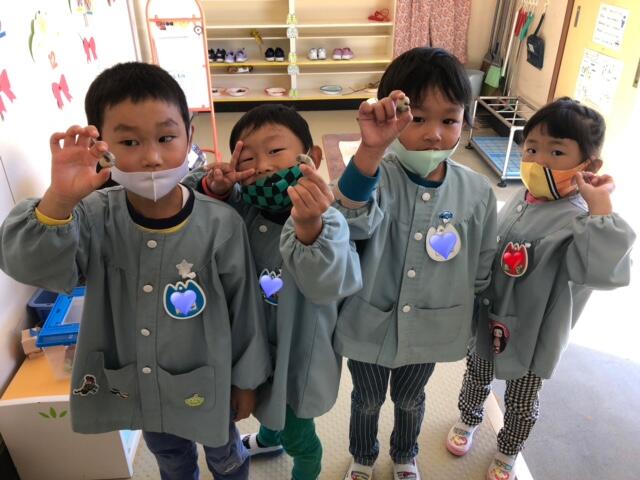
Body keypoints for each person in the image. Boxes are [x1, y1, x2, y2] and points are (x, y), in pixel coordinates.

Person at [0, 62, 271, 480]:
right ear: (101, 147)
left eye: (166, 137)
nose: (151, 157)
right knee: (171, 461)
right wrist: (59, 199)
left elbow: (245, 311)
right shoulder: (91, 216)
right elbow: (28, 265)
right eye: (129, 141)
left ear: (189, 136)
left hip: (209, 385)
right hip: (141, 389)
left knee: (226, 457)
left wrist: (246, 381)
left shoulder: (221, 224)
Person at [445, 97, 636, 480]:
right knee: (477, 373)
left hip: (534, 334)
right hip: (490, 317)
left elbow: (606, 271)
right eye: (532, 149)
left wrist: (601, 210)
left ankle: (508, 450)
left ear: (589, 166)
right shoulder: (523, 196)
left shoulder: (582, 219)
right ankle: (469, 417)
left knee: (521, 399)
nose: (539, 161)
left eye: (557, 152)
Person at [332, 47, 498, 480]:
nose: (434, 135)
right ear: (392, 115)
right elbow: (346, 217)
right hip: (369, 321)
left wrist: (474, 312)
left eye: (450, 120)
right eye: (418, 118)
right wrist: (370, 150)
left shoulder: (477, 192)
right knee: (366, 399)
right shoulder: (373, 176)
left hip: (431, 326)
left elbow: (482, 262)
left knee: (410, 399)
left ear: (465, 120)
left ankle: (405, 455)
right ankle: (363, 457)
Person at [183, 104, 362, 480]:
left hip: (299, 350)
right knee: (264, 396)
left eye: (276, 151)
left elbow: (331, 284)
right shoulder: (241, 207)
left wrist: (309, 226)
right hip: (251, 341)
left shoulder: (329, 219)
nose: (263, 165)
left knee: (296, 427)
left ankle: (305, 468)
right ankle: (268, 438)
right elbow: (200, 218)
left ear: (312, 157)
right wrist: (215, 189)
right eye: (248, 158)